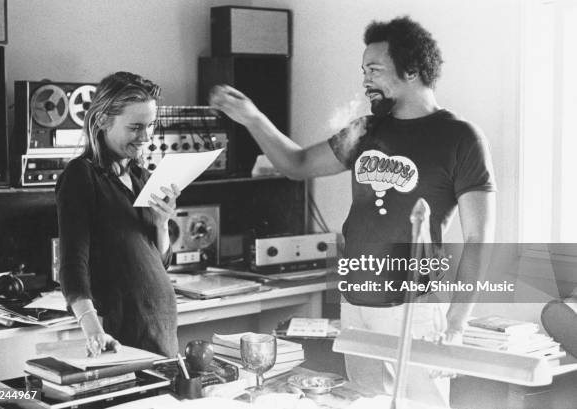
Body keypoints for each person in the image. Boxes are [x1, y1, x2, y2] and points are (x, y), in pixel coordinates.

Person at [210, 16, 496, 405]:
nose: (365, 81)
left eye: (375, 70)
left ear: (411, 70)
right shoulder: (366, 129)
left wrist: (457, 325)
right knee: (362, 402)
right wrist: (253, 119)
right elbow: (296, 164)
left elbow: (480, 238)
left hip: (412, 306)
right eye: (363, 70)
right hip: (357, 299)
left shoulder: (461, 138)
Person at [56, 71, 180, 358]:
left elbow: (160, 263)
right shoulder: (81, 176)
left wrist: (162, 224)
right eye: (136, 127)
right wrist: (92, 329)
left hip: (161, 330)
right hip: (120, 331)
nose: (146, 138)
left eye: (151, 126)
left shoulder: (142, 178)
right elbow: (72, 263)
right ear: (102, 121)